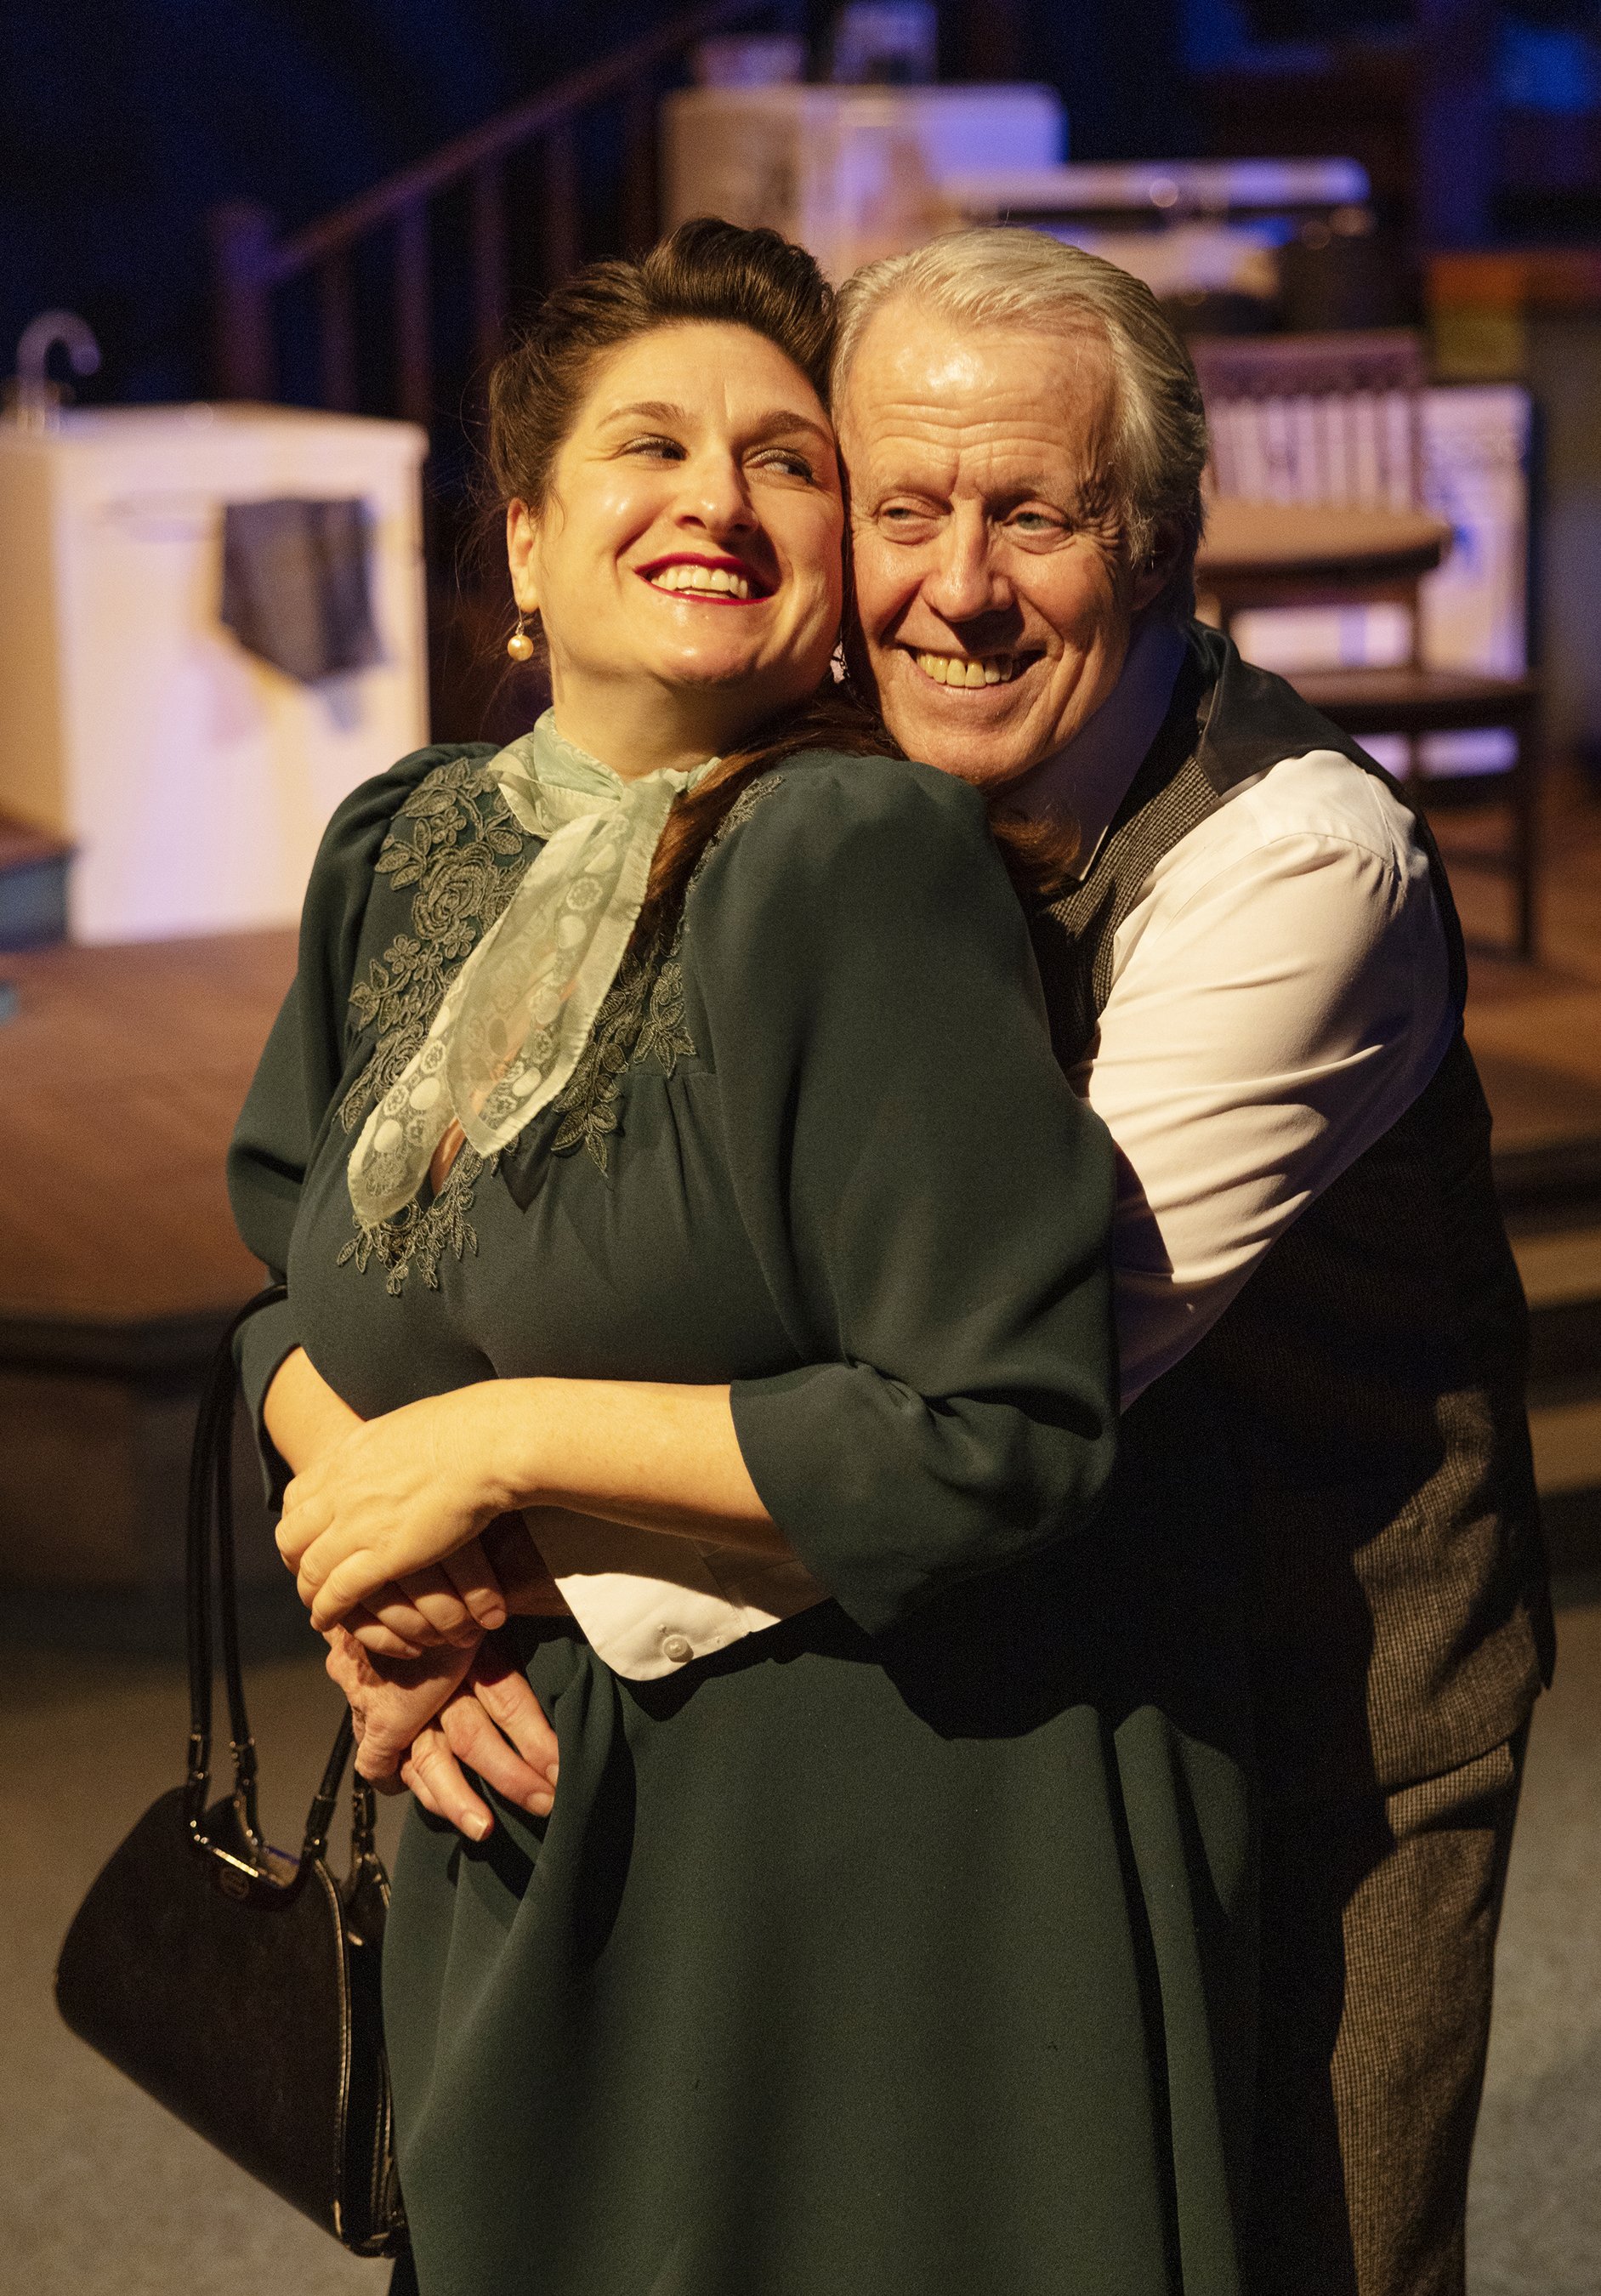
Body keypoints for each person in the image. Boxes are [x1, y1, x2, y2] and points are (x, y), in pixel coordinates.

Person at [229, 219, 1256, 2296]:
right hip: (511, 1817)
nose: (718, 496)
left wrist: (491, 1448)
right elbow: (277, 1280)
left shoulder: (855, 860)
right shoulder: (400, 844)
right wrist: (377, 1527)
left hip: (853, 1858)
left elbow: (1000, 1431)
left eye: (786, 461)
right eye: (650, 448)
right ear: (522, 545)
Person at [821, 229, 1551, 2296]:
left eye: (1032, 515)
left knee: (1307, 2250)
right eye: (906, 510)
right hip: (1040, 1703)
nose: (956, 587)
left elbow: (992, 1382)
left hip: (1322, 1719)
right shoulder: (846, 777)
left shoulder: (1301, 863)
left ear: (1158, 542)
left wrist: (509, 1515)